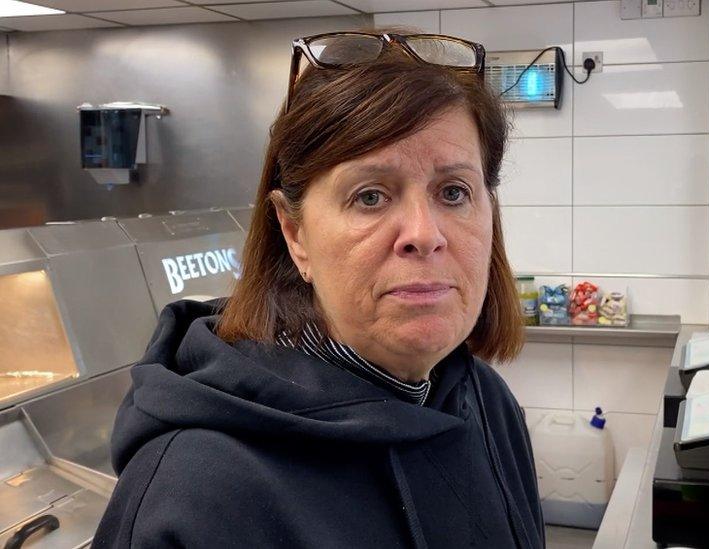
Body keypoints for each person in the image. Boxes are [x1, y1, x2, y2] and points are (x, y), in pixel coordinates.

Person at [92, 30, 544, 548]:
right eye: (370, 196)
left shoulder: (484, 402)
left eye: (454, 192)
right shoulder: (197, 494)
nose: (424, 234)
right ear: (295, 233)